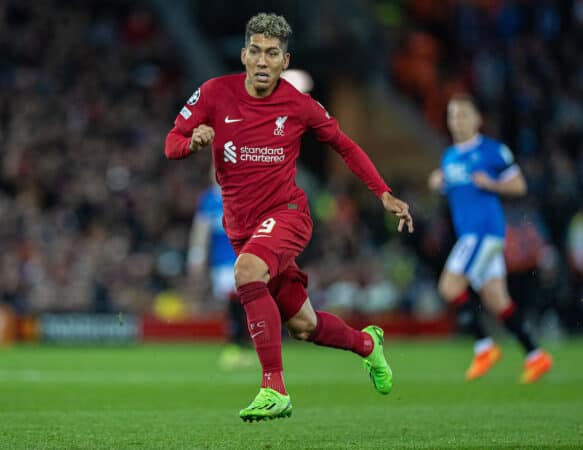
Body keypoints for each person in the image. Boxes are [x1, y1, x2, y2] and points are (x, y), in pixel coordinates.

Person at [165, 12, 414, 422]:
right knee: (303, 325)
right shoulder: (213, 93)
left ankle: (273, 388)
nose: (263, 61)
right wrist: (191, 142)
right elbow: (170, 142)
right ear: (244, 55)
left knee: (245, 272)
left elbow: (345, 146)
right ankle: (368, 345)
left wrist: (383, 193)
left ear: (285, 61)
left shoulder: (299, 105)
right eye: (257, 52)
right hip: (241, 227)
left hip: (288, 214)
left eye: (273, 54)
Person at [428, 94, 552, 384]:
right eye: (451, 116)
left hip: (482, 233)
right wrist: (439, 182)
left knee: (448, 287)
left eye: (462, 115)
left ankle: (484, 347)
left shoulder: (492, 151)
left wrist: (493, 183)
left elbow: (520, 185)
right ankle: (536, 355)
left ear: (476, 119)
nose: (456, 121)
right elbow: (454, 187)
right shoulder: (450, 156)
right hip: (473, 234)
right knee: (498, 300)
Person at [188, 178, 253, 370]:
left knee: (245, 303)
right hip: (223, 262)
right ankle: (234, 347)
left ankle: (240, 347)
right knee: (234, 302)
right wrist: (196, 256)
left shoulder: (243, 194)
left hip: (245, 257)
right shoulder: (210, 199)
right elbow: (201, 230)